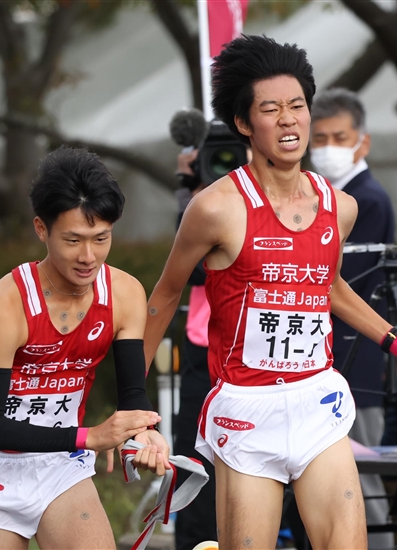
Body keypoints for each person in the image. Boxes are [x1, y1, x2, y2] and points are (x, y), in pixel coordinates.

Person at [143, 35, 397, 549]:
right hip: (246, 411)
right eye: (271, 109)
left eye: (297, 106)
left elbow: (328, 287)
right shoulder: (215, 209)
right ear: (246, 124)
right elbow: (162, 298)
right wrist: (136, 409)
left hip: (317, 401)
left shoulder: (341, 207)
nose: (289, 119)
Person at [0, 146, 170, 550]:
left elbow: (132, 397)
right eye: (73, 240)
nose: (89, 257)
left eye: (101, 239)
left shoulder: (124, 294)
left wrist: (142, 433)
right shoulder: (5, 304)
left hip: (61, 463)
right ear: (41, 229)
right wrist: (91, 437)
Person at [310, 87, 395, 550]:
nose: (327, 148)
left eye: (338, 136)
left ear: (362, 141)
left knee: (362, 483)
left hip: (356, 363)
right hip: (331, 361)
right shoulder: (330, 195)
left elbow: (338, 282)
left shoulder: (367, 200)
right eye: (318, 137)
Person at [173, 147, 220, 550]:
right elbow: (191, 270)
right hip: (203, 352)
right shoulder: (200, 204)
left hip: (260, 362)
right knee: (196, 470)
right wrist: (192, 196)